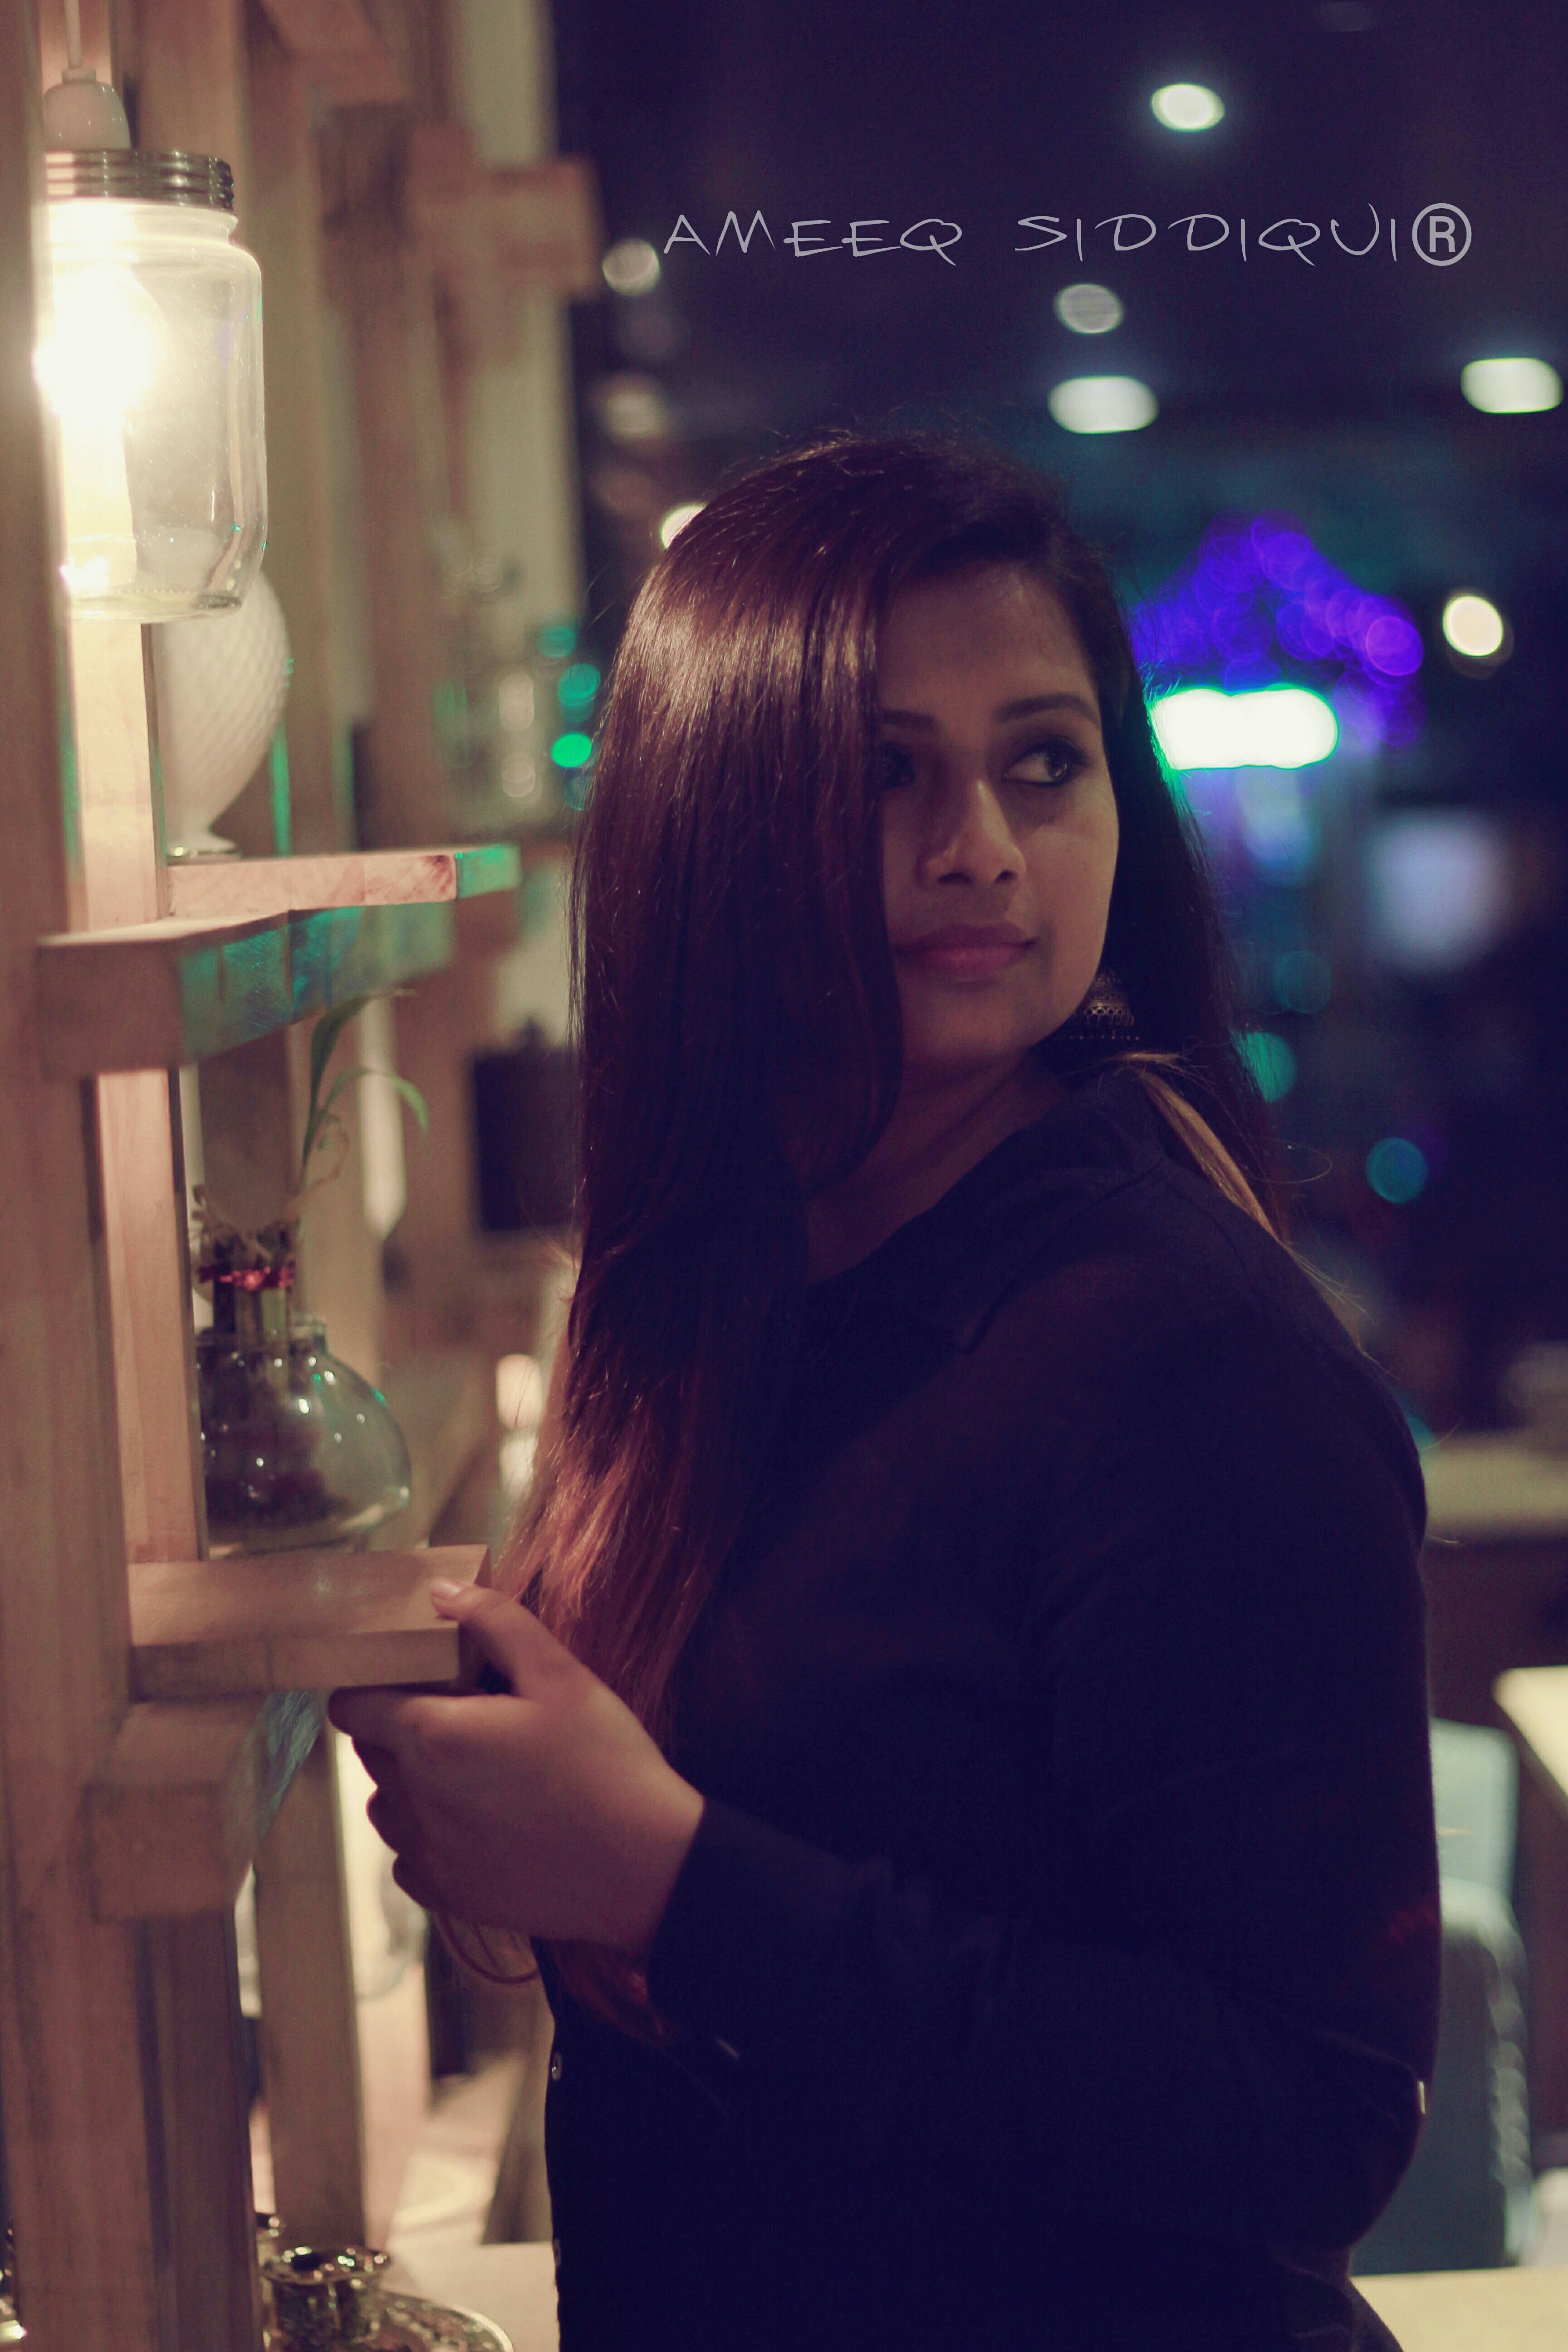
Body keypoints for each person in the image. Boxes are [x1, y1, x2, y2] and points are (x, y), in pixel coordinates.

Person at [332, 432, 1441, 2351]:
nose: (981, 847)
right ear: (713, 822)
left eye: (1045, 761)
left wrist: (673, 1887)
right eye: (882, 773)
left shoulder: (1189, 1356)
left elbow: (1309, 2121)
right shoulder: (739, 1275)